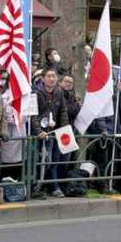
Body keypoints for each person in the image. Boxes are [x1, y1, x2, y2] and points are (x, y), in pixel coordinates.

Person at [32, 67, 70, 197]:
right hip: (39, 133)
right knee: (38, 160)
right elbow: (33, 114)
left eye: (54, 76)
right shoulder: (35, 92)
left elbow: (63, 110)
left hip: (53, 132)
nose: (52, 79)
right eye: (49, 76)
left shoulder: (59, 91)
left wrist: (64, 128)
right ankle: (35, 186)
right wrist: (38, 131)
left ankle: (53, 186)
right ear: (42, 78)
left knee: (52, 160)